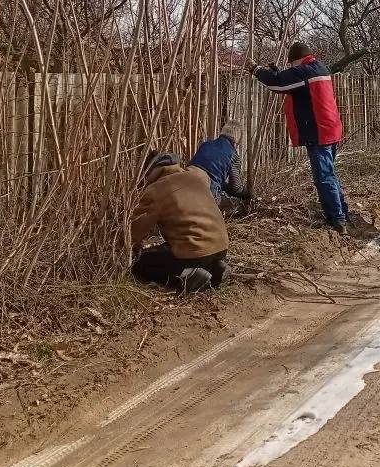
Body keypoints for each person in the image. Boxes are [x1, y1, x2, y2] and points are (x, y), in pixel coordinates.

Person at [253, 42, 349, 232]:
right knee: (329, 174)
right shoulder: (319, 68)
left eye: (291, 65)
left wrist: (256, 70)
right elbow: (295, 87)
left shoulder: (304, 71)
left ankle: (337, 219)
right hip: (330, 128)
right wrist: (278, 72)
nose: (291, 69)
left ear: (296, 60)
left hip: (318, 131)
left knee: (323, 177)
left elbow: (278, 84)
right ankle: (343, 213)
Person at [131, 151, 230, 293]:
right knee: (169, 250)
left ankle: (185, 277)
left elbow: (134, 231)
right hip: (221, 247)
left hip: (195, 253)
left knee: (142, 265)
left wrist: (126, 247)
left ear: (150, 171)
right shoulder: (198, 176)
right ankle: (216, 268)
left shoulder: (156, 189)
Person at [190, 121, 252, 208]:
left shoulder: (205, 145)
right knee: (242, 206)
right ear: (237, 139)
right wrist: (249, 193)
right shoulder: (233, 155)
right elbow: (236, 189)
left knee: (223, 186)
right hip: (208, 195)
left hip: (188, 188)